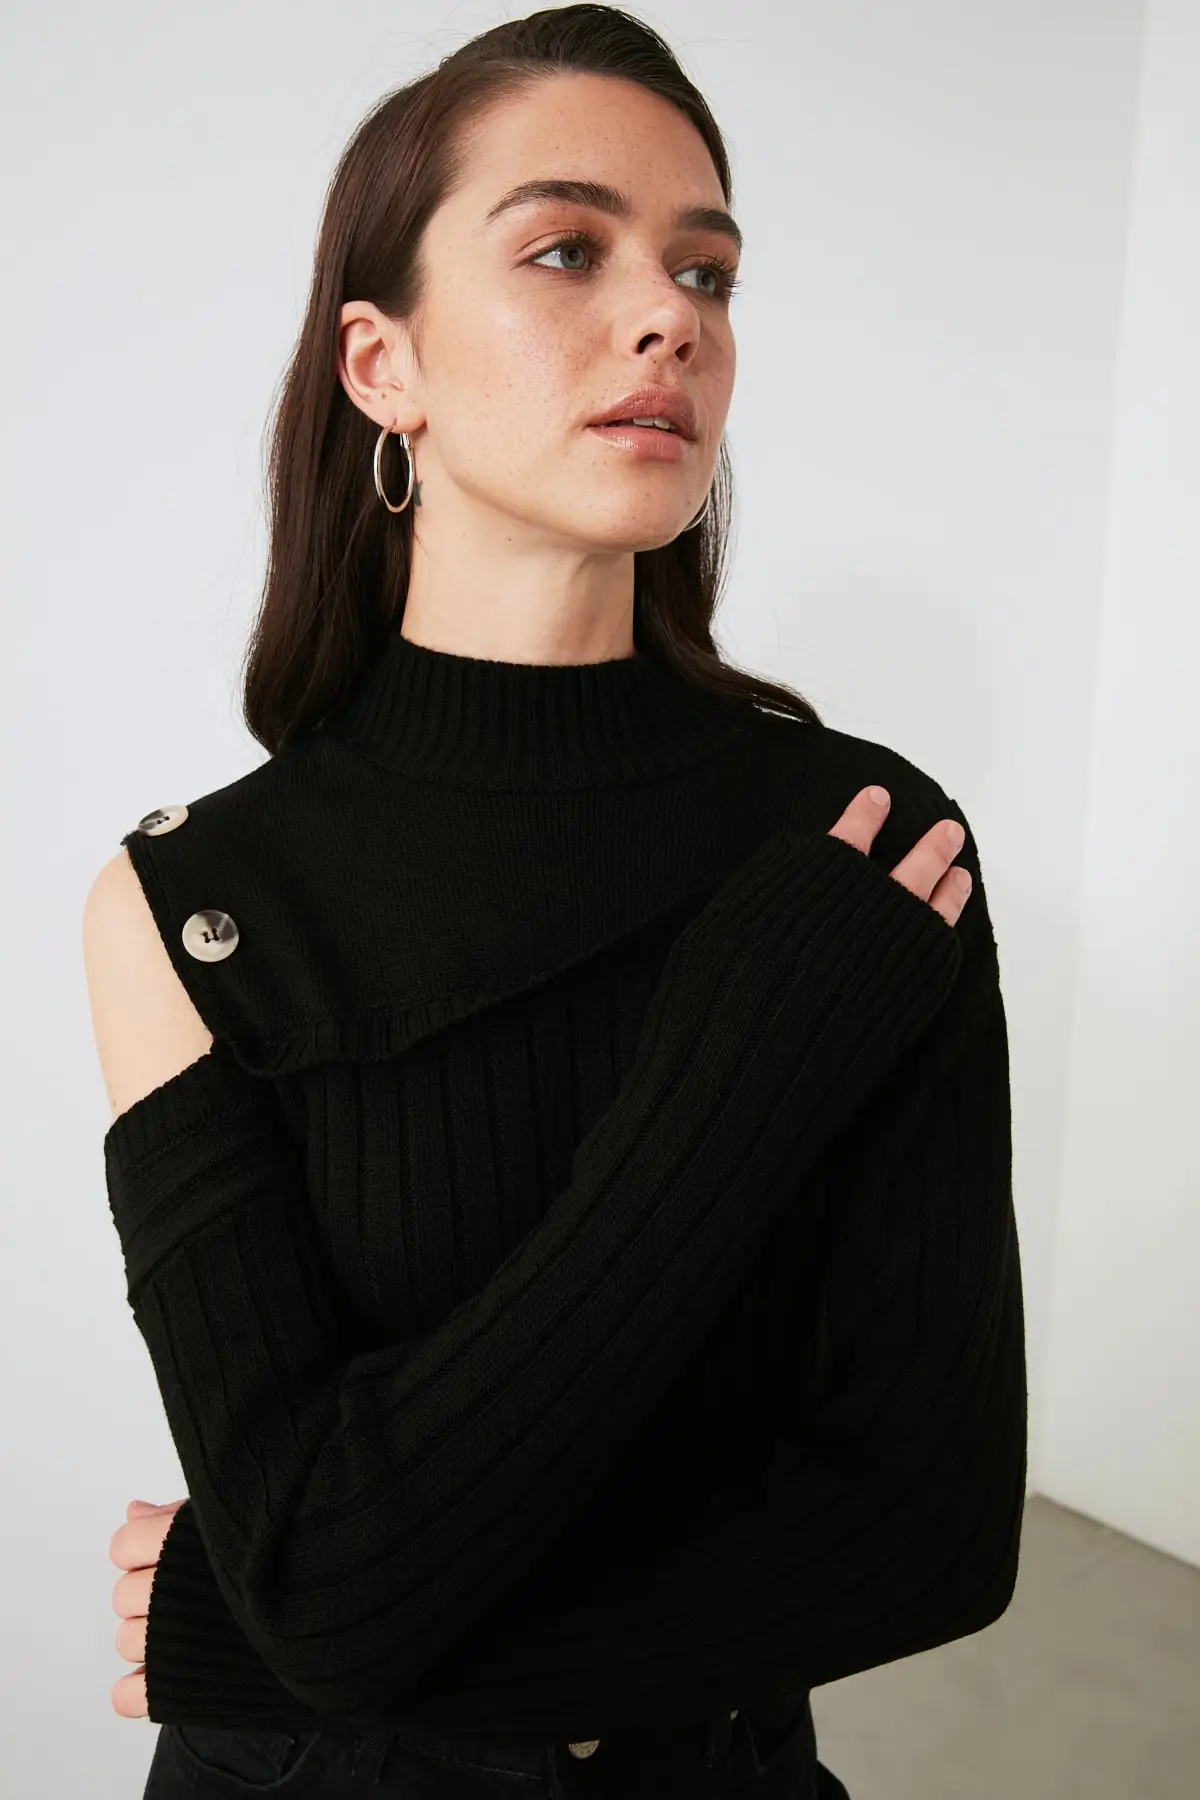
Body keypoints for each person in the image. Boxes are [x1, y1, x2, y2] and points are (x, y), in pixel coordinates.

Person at [84, 7, 1027, 1798]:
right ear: (383, 365)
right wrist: (731, 1095)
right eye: (567, 251)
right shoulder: (186, 907)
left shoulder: (867, 849)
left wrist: (272, 1642)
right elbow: (322, 1581)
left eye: (708, 271)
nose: (671, 315)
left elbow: (932, 1532)